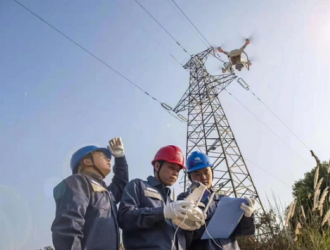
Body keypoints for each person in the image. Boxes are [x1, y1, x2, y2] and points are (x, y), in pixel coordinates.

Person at [117, 145, 205, 250]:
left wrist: (189, 228)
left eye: (178, 170)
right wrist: (162, 212)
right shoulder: (138, 185)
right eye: (171, 167)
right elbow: (124, 217)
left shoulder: (174, 204)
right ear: (157, 166)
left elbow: (184, 242)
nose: (175, 173)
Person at [51, 137, 129, 250]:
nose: (108, 159)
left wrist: (120, 157)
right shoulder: (77, 182)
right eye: (103, 156)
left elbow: (121, 184)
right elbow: (68, 227)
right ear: (87, 161)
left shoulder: (106, 192)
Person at [177, 151, 256, 250]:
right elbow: (182, 237)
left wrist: (247, 217)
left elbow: (243, 231)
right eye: (197, 174)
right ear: (190, 177)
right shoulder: (184, 199)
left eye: (206, 172)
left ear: (212, 173)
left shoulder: (224, 200)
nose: (203, 177)